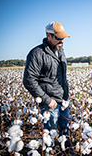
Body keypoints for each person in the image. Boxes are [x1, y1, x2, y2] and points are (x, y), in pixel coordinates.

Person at [23, 21, 70, 149]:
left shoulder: (60, 51)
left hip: (63, 102)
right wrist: (47, 100)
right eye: (58, 38)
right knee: (50, 139)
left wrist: (66, 97)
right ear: (48, 36)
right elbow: (28, 80)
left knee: (66, 136)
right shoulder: (37, 53)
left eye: (63, 38)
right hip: (50, 104)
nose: (61, 41)